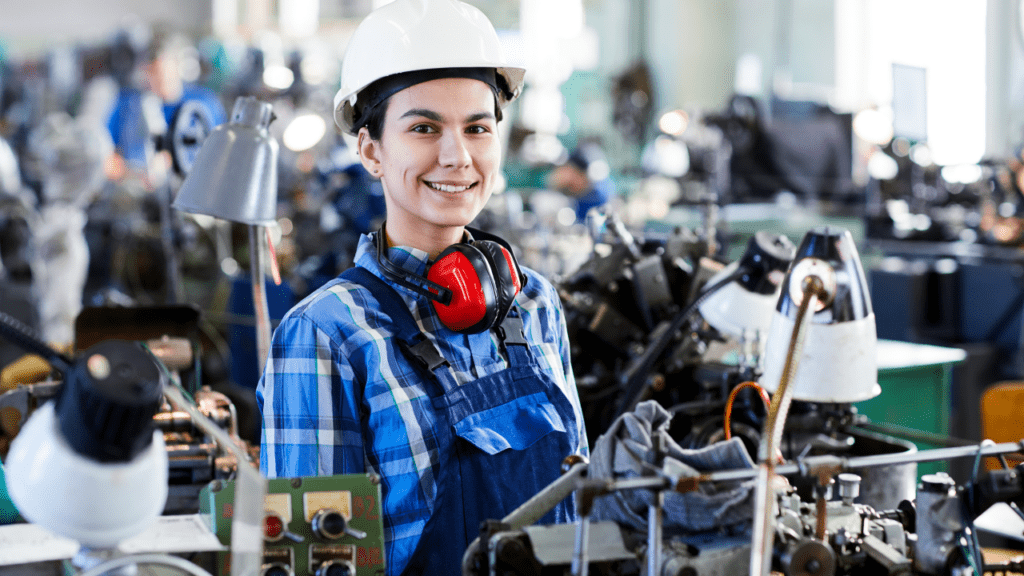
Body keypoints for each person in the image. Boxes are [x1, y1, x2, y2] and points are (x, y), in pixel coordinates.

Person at [256, 1, 589, 574]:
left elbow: (577, 503)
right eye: (424, 128)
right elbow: (313, 563)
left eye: (477, 128)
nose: (457, 156)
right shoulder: (327, 333)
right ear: (370, 150)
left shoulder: (533, 301)